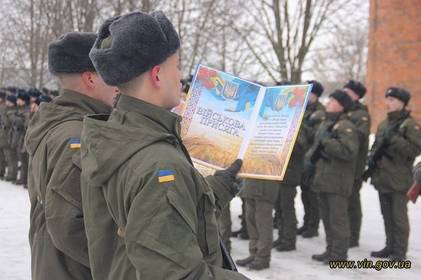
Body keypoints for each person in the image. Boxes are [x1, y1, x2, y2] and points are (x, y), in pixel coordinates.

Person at [82, 11, 249, 279]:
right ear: (157, 75)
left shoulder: (117, 135)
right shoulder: (158, 163)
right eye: (178, 65)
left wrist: (216, 188)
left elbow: (156, 226)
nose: (181, 77)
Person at [25, 32, 117, 280]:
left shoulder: (66, 121)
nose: (118, 83)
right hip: (72, 271)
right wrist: (123, 266)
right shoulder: (74, 134)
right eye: (109, 73)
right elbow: (68, 225)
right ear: (90, 78)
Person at [368, 87, 421, 260]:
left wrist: (396, 140)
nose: (388, 103)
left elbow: (415, 149)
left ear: (402, 103)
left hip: (399, 178)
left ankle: (399, 252)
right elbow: (376, 146)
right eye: (387, 99)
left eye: (392, 100)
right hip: (383, 177)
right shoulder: (385, 123)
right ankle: (390, 246)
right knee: (387, 215)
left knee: (399, 218)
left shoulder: (409, 124)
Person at [308, 90, 359, 263]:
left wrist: (327, 141)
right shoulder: (327, 123)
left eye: (332, 100)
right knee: (327, 219)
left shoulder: (346, 126)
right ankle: (330, 250)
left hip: (337, 181)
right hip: (323, 178)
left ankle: (339, 255)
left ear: (341, 105)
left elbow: (349, 152)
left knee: (338, 221)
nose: (328, 103)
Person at [343, 80, 371, 247]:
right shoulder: (346, 111)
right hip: (343, 165)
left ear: (356, 95)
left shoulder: (361, 114)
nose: (344, 93)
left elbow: (358, 138)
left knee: (352, 201)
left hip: (354, 165)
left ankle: (353, 237)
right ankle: (345, 234)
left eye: (348, 91)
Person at [298, 80, 325, 238]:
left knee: (311, 194)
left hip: (311, 158)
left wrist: (300, 125)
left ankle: (313, 226)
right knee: (304, 193)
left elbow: (315, 135)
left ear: (314, 95)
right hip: (301, 158)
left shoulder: (320, 112)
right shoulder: (304, 109)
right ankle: (307, 223)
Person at [237, 178, 280, 270]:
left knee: (263, 224)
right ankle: (254, 253)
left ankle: (263, 257)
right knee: (251, 222)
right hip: (250, 185)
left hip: (265, 186)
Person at [12, 90, 31, 187]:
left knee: (26, 159)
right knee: (22, 158)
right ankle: (23, 178)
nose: (17, 100)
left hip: (24, 135)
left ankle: (27, 179)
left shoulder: (27, 110)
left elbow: (25, 123)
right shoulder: (18, 109)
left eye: (19, 99)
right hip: (19, 136)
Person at [3, 94, 18, 182]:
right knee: (8, 157)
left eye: (9, 101)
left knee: (12, 157)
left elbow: (8, 123)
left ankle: (12, 174)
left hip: (12, 136)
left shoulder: (13, 111)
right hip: (6, 136)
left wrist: (5, 115)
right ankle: (9, 174)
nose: (7, 102)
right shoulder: (7, 110)